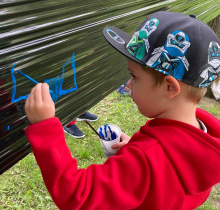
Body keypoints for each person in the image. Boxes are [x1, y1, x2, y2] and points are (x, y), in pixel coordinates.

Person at [24, 11, 220, 210]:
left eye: (134, 76)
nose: (128, 84)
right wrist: (138, 153)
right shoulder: (204, 147)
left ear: (170, 87)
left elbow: (78, 195)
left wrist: (45, 127)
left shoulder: (146, 159)